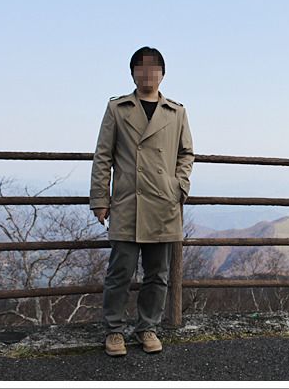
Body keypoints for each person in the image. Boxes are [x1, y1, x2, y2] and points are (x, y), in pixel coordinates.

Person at [89, 46, 194, 356]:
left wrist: (179, 186)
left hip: (163, 202)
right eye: (141, 67)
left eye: (153, 68)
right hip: (127, 202)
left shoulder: (176, 112)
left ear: (163, 74)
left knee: (158, 274)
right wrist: (100, 198)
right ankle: (114, 330)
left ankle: (148, 327)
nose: (147, 73)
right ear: (132, 73)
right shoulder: (117, 108)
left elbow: (186, 153)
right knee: (120, 271)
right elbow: (103, 155)